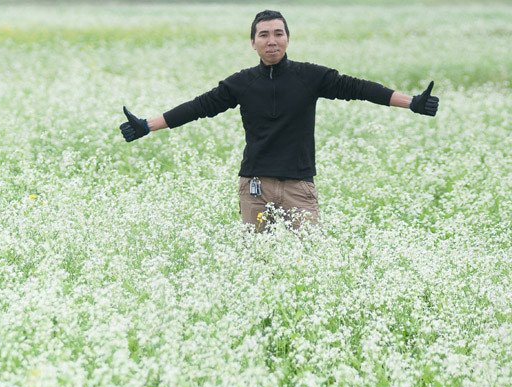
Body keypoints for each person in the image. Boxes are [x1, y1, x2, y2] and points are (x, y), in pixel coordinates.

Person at [119, 9, 439, 232]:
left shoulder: (311, 76)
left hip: (299, 187)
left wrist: (411, 103)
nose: (271, 40)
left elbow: (358, 88)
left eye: (278, 34)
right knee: (258, 266)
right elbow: (198, 107)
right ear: (253, 42)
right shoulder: (241, 83)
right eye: (264, 35)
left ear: (288, 38)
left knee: (311, 265)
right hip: (255, 188)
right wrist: (147, 125)